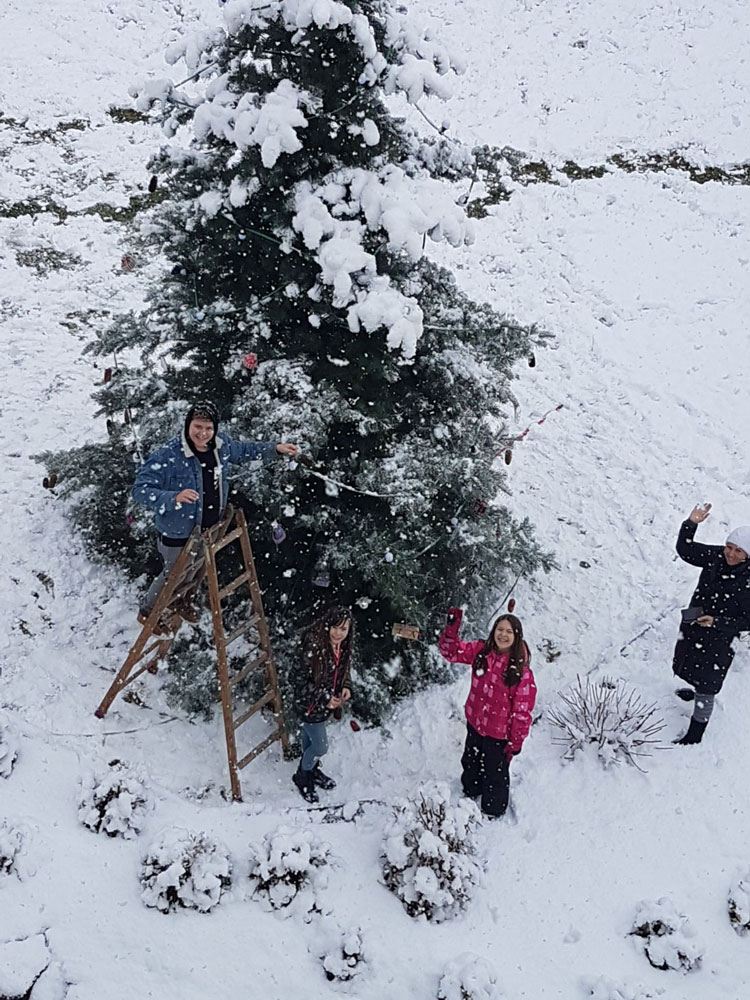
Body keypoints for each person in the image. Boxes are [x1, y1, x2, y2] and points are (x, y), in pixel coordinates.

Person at [132, 401, 298, 629]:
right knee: (174, 574)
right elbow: (140, 491)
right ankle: (148, 611)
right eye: (198, 427)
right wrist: (173, 498)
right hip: (177, 530)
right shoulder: (168, 455)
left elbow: (245, 450)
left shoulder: (221, 446)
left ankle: (182, 600)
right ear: (188, 426)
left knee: (196, 568)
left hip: (207, 527)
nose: (203, 434)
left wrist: (275, 449)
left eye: (208, 428)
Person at [439, 608, 536, 819]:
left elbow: (522, 713)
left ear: (516, 636)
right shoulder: (481, 652)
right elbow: (451, 652)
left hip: (499, 736)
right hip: (475, 724)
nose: (503, 635)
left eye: (509, 631)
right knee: (471, 762)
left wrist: (515, 742)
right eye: (499, 629)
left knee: (495, 773)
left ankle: (493, 810)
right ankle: (470, 793)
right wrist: (452, 628)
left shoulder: (521, 672)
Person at [671, 504, 750, 744]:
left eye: (739, 551)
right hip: (695, 619)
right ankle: (693, 690)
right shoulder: (716, 556)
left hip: (721, 635)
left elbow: (747, 620)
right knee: (687, 659)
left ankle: (695, 734)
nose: (731, 554)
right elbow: (685, 549)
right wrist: (691, 524)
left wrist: (717, 622)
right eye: (729, 547)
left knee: (708, 679)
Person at [291, 606, 354, 803]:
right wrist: (324, 698)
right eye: (335, 627)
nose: (338, 633)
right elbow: (297, 679)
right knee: (320, 747)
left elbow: (343, 671)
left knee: (309, 740)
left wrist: (345, 686)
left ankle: (312, 769)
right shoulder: (313, 646)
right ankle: (303, 774)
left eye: (343, 629)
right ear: (327, 626)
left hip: (322, 705)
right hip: (310, 704)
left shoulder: (341, 647)